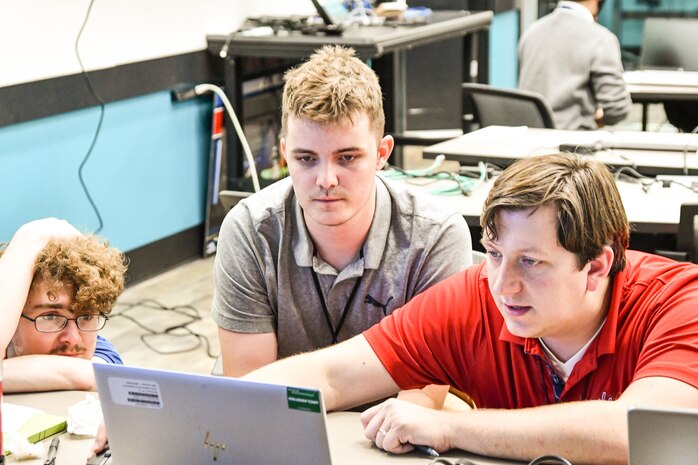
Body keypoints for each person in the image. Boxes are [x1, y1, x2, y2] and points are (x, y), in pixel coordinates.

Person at [243, 153, 698, 464]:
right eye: (495, 253)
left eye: (531, 262)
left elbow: (633, 432)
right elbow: (331, 376)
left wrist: (449, 428)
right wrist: (213, 413)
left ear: (596, 267)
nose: (502, 285)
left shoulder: (681, 301)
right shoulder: (475, 297)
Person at [212, 45, 472, 376]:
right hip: (287, 421)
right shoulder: (249, 230)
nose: (326, 180)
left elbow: (425, 391)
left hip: (388, 425)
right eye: (306, 158)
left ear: (381, 153)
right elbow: (253, 392)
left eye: (347, 157)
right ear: (284, 154)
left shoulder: (436, 236)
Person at [1, 218, 127, 392]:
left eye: (87, 316)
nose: (74, 338)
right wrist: (29, 237)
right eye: (51, 317)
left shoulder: (103, 353)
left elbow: (85, 375)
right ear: (14, 318)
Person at [518, 0, 632, 130]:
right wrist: (597, 119)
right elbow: (617, 109)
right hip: (572, 145)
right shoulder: (601, 39)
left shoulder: (531, 32)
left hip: (529, 143)